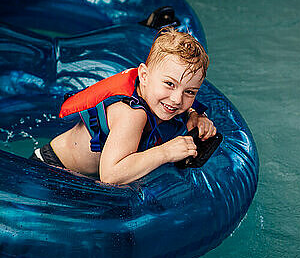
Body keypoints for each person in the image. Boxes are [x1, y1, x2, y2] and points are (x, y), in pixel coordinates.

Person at [31, 27, 216, 184]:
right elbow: (110, 176)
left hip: (79, 177)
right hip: (51, 171)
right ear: (144, 75)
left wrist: (194, 115)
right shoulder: (131, 114)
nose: (177, 99)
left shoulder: (164, 100)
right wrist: (166, 152)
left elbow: (180, 104)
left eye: (190, 92)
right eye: (169, 84)